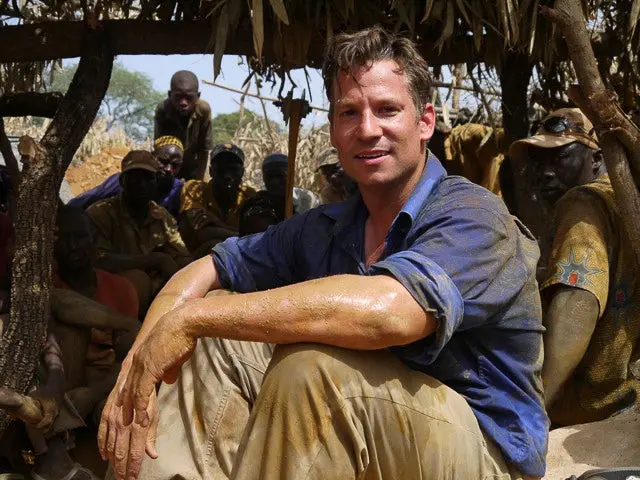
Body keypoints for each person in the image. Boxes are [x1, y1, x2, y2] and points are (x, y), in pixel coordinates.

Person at [100, 27, 547, 480]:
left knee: (307, 371)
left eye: (388, 110)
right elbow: (210, 267)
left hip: (485, 453)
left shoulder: (473, 214)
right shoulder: (330, 225)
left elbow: (390, 313)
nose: (367, 130)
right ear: (333, 129)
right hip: (383, 420)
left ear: (425, 122)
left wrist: (192, 318)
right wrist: (140, 361)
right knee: (217, 337)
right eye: (350, 112)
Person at [512, 109, 639, 427]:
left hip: (588, 411)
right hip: (625, 401)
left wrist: (534, 409)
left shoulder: (582, 205)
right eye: (538, 161)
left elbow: (577, 301)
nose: (545, 172)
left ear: (596, 158)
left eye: (560, 157)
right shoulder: (624, 200)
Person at [87, 150, 191, 315]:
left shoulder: (162, 216)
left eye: (147, 178)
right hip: (111, 286)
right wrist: (152, 260)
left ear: (156, 182)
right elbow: (98, 259)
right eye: (134, 178)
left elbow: (180, 253)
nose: (141, 185)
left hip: (152, 285)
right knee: (138, 280)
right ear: (122, 181)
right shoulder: (101, 213)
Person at [68, 136, 185, 219]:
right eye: (163, 161)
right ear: (152, 157)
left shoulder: (179, 192)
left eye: (175, 165)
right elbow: (84, 201)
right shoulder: (128, 180)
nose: (169, 169)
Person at [179, 143, 256, 256]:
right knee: (213, 245)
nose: (227, 176)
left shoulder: (249, 196)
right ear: (211, 171)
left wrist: (217, 223)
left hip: (237, 257)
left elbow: (256, 239)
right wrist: (241, 237)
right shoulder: (194, 189)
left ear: (242, 172)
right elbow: (204, 234)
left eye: (233, 170)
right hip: (196, 257)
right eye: (221, 169)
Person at [154, 71, 213, 181]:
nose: (183, 103)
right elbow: (159, 147)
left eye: (189, 97)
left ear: (197, 96)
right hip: (168, 166)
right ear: (169, 95)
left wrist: (198, 182)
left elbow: (204, 149)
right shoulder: (163, 109)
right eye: (178, 97)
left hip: (192, 167)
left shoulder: (203, 110)